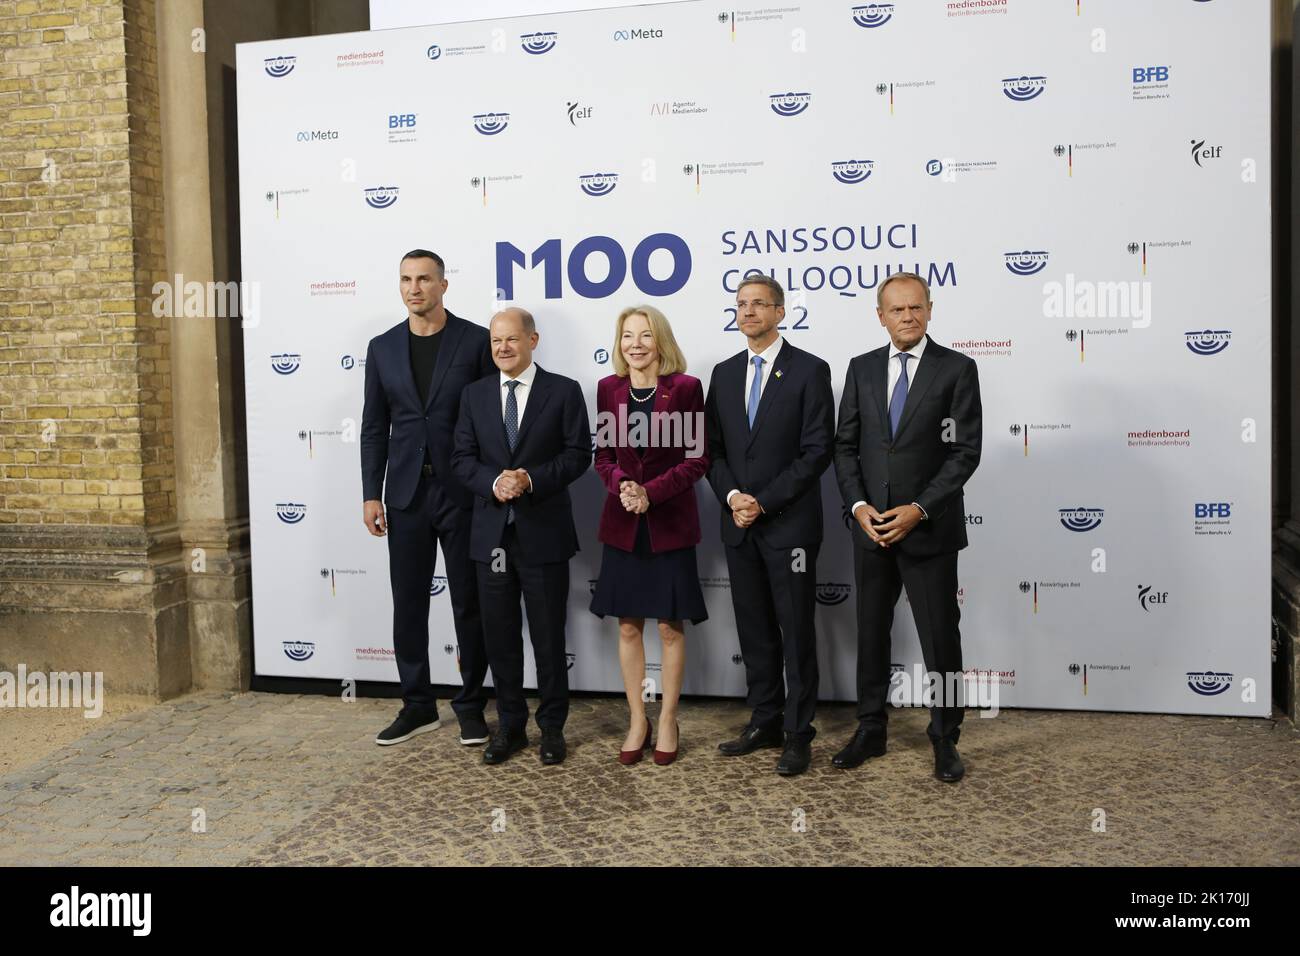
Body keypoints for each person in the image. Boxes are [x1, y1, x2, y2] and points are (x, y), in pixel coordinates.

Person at [832, 271, 982, 782]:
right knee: (872, 634)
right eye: (896, 309)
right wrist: (857, 507)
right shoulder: (861, 369)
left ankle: (945, 735)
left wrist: (920, 508)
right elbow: (845, 447)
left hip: (928, 530)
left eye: (916, 307)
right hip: (870, 530)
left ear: (930, 309)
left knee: (941, 638)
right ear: (881, 316)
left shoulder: (957, 369)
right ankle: (870, 730)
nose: (907, 317)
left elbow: (964, 452)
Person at [361, 250, 495, 748]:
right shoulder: (382, 347)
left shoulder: (476, 341)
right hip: (405, 495)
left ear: (443, 284)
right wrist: (370, 495)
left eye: (423, 279)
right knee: (409, 604)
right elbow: (374, 426)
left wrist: (488, 482)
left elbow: (487, 418)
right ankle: (417, 706)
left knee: (469, 603)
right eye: (405, 280)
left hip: (462, 491)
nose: (414, 288)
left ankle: (471, 706)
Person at [704, 276, 835, 777]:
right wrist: (736, 497)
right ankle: (765, 721)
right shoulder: (723, 372)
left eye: (759, 304)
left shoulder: (810, 370)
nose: (749, 311)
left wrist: (765, 501)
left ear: (781, 312)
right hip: (739, 524)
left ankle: (799, 733)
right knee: (754, 630)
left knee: (797, 632)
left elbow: (816, 450)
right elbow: (711, 451)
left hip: (790, 528)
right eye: (741, 304)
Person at [450, 307, 592, 766]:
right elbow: (461, 459)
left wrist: (530, 479)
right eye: (496, 342)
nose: (503, 348)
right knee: (500, 636)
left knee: (549, 635)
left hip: (543, 533)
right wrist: (496, 482)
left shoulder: (564, 391)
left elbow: (577, 456)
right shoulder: (473, 396)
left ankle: (552, 728)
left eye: (512, 339)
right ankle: (510, 725)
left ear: (533, 339)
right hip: (490, 536)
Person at [591, 306, 709, 766]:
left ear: (660, 340)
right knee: (627, 625)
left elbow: (697, 459)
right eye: (626, 336)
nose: (635, 344)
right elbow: (602, 455)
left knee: (668, 626)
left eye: (644, 335)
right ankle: (638, 718)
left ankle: (668, 719)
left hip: (668, 523)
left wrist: (651, 493)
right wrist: (623, 485)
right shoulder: (608, 389)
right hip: (623, 523)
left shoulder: (685, 388)